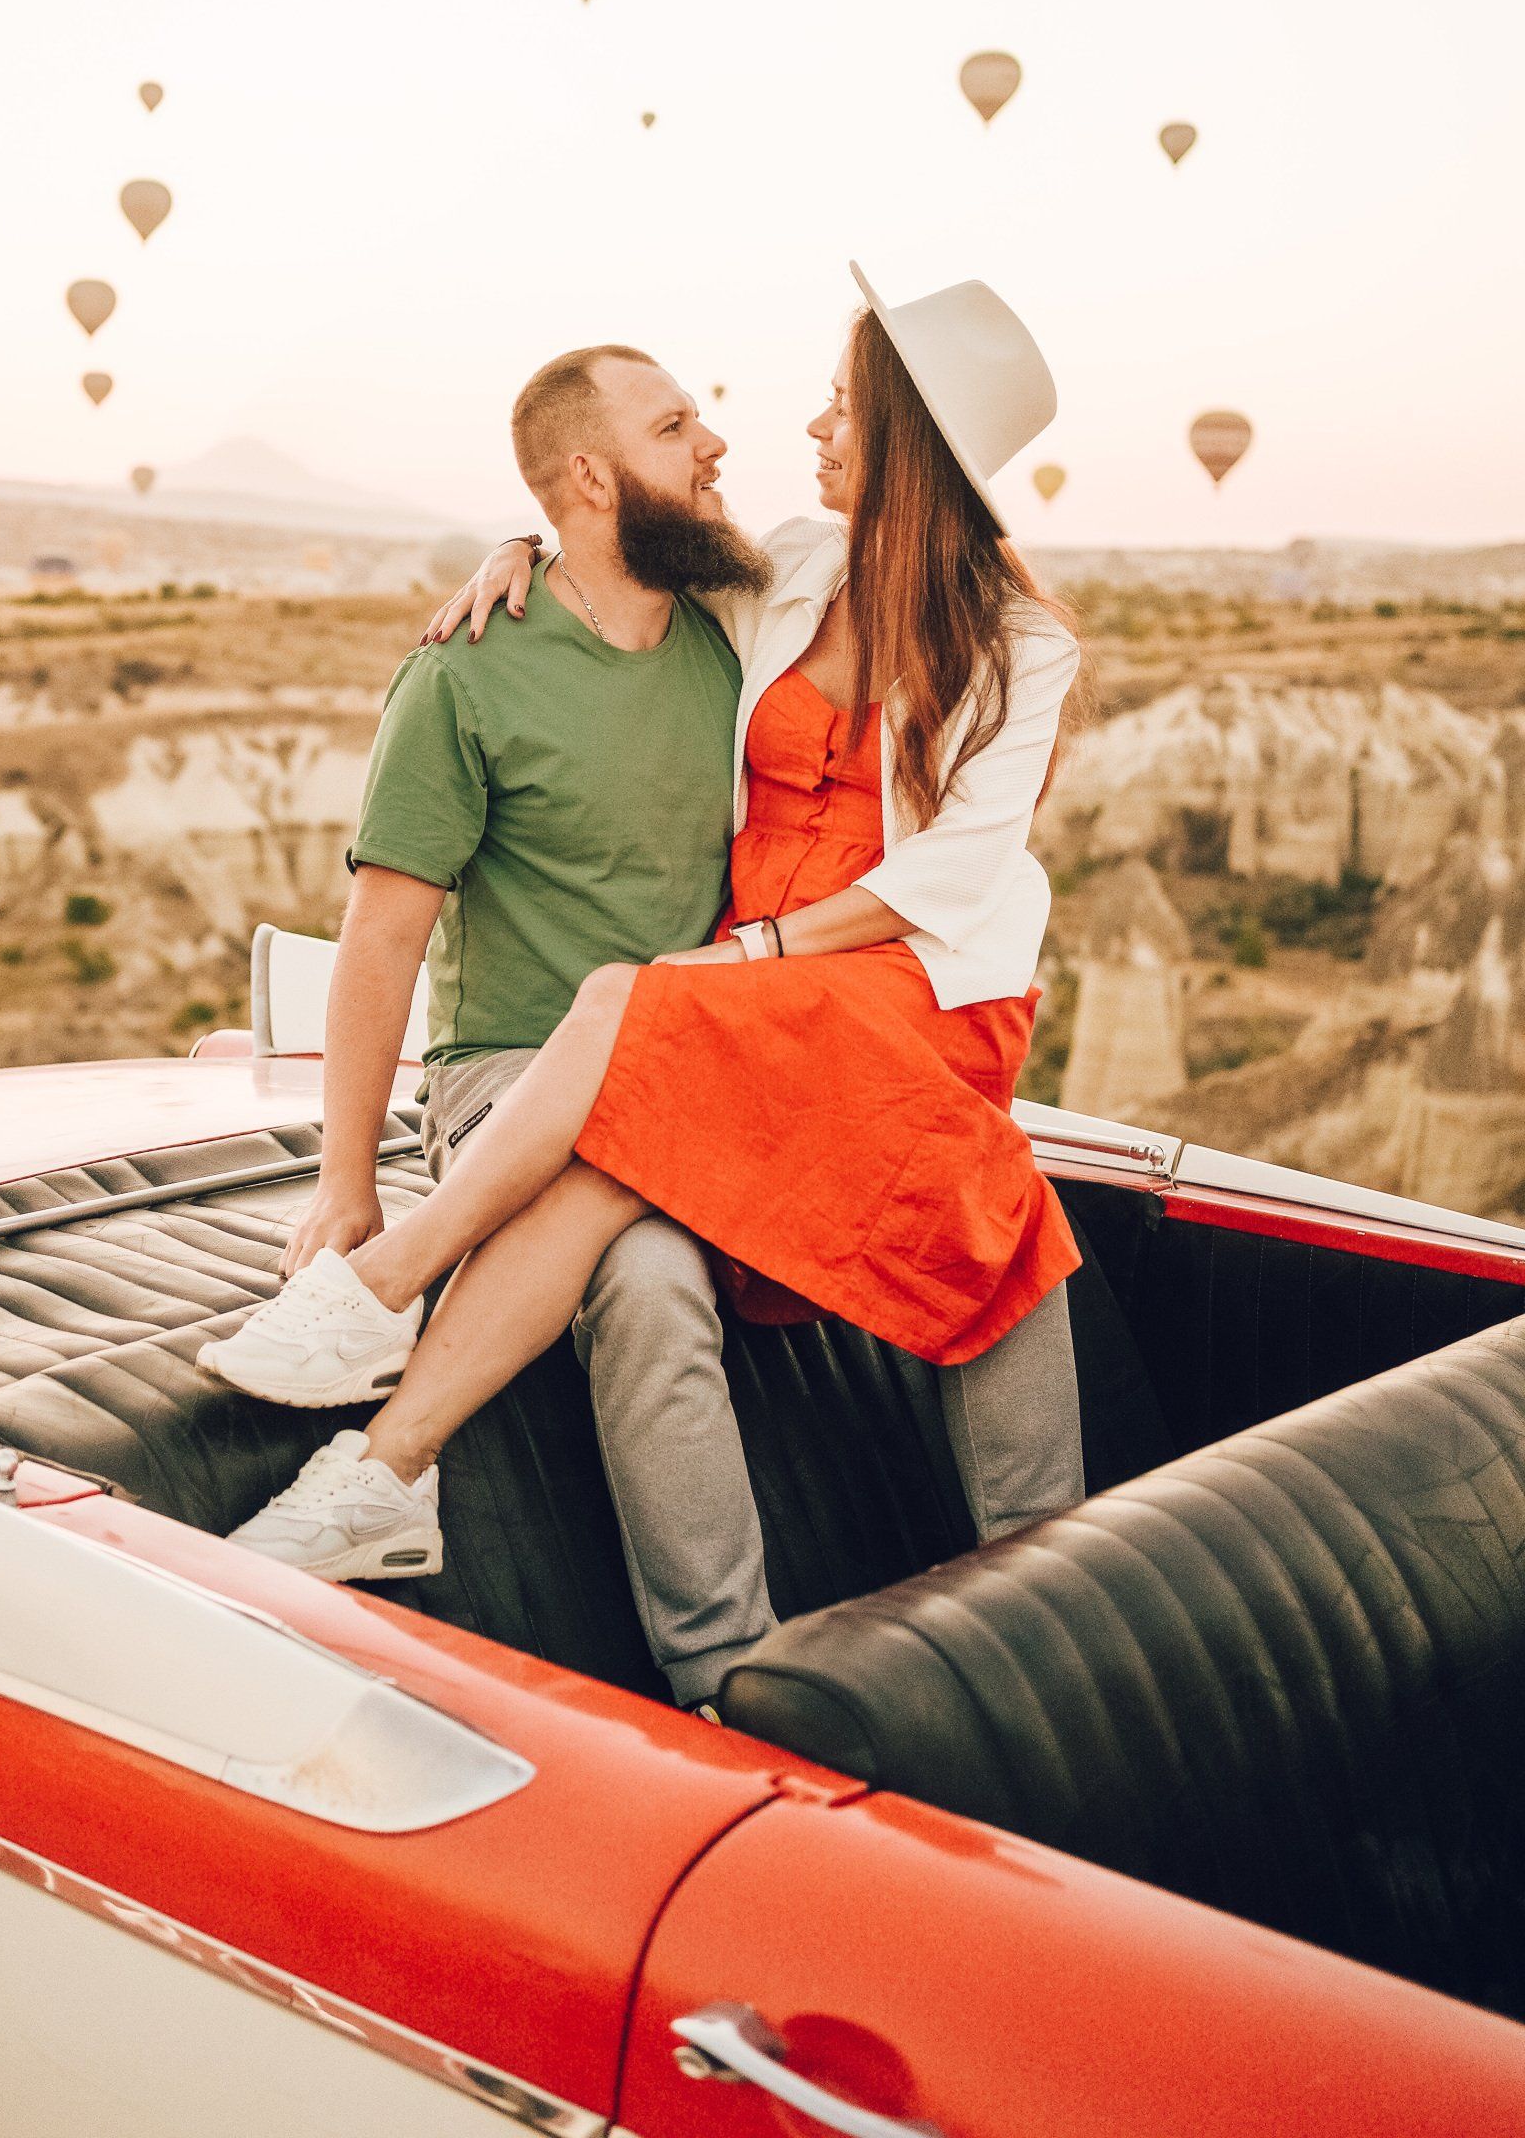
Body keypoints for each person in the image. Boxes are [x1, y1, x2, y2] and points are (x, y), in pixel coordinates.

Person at [206, 268, 1087, 1696]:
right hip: (707, 1019)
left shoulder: (1020, 646)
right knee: (679, 1182)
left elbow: (952, 874)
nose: (792, 428)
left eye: (843, 408)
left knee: (647, 1010)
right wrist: (523, 542)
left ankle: (382, 1332)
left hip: (883, 983)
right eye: (687, 424)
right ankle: (720, 1677)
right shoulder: (788, 571)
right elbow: (621, 551)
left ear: (908, 441)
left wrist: (747, 956)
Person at [201, 340, 789, 1704]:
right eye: (676, 426)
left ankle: (390, 1462)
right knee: (643, 1278)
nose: (713, 449)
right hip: (510, 1082)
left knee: (646, 1200)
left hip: (694, 1070)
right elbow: (384, 936)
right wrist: (347, 1181)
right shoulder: (464, 671)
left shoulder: (741, 642)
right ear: (591, 476)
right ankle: (734, 1686)